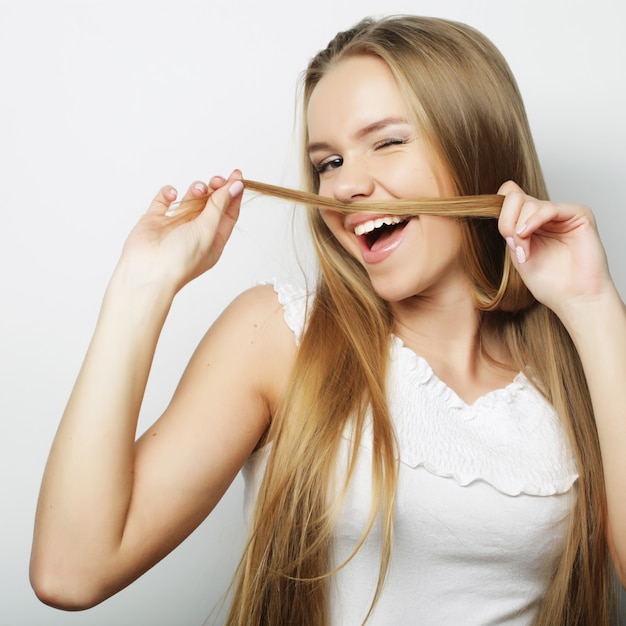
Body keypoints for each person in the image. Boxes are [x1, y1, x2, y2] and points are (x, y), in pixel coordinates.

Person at [30, 15, 626, 626]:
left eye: (388, 141)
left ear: (476, 143)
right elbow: (70, 572)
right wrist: (141, 282)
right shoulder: (280, 337)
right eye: (328, 161)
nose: (344, 185)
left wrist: (592, 303)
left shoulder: (580, 365)